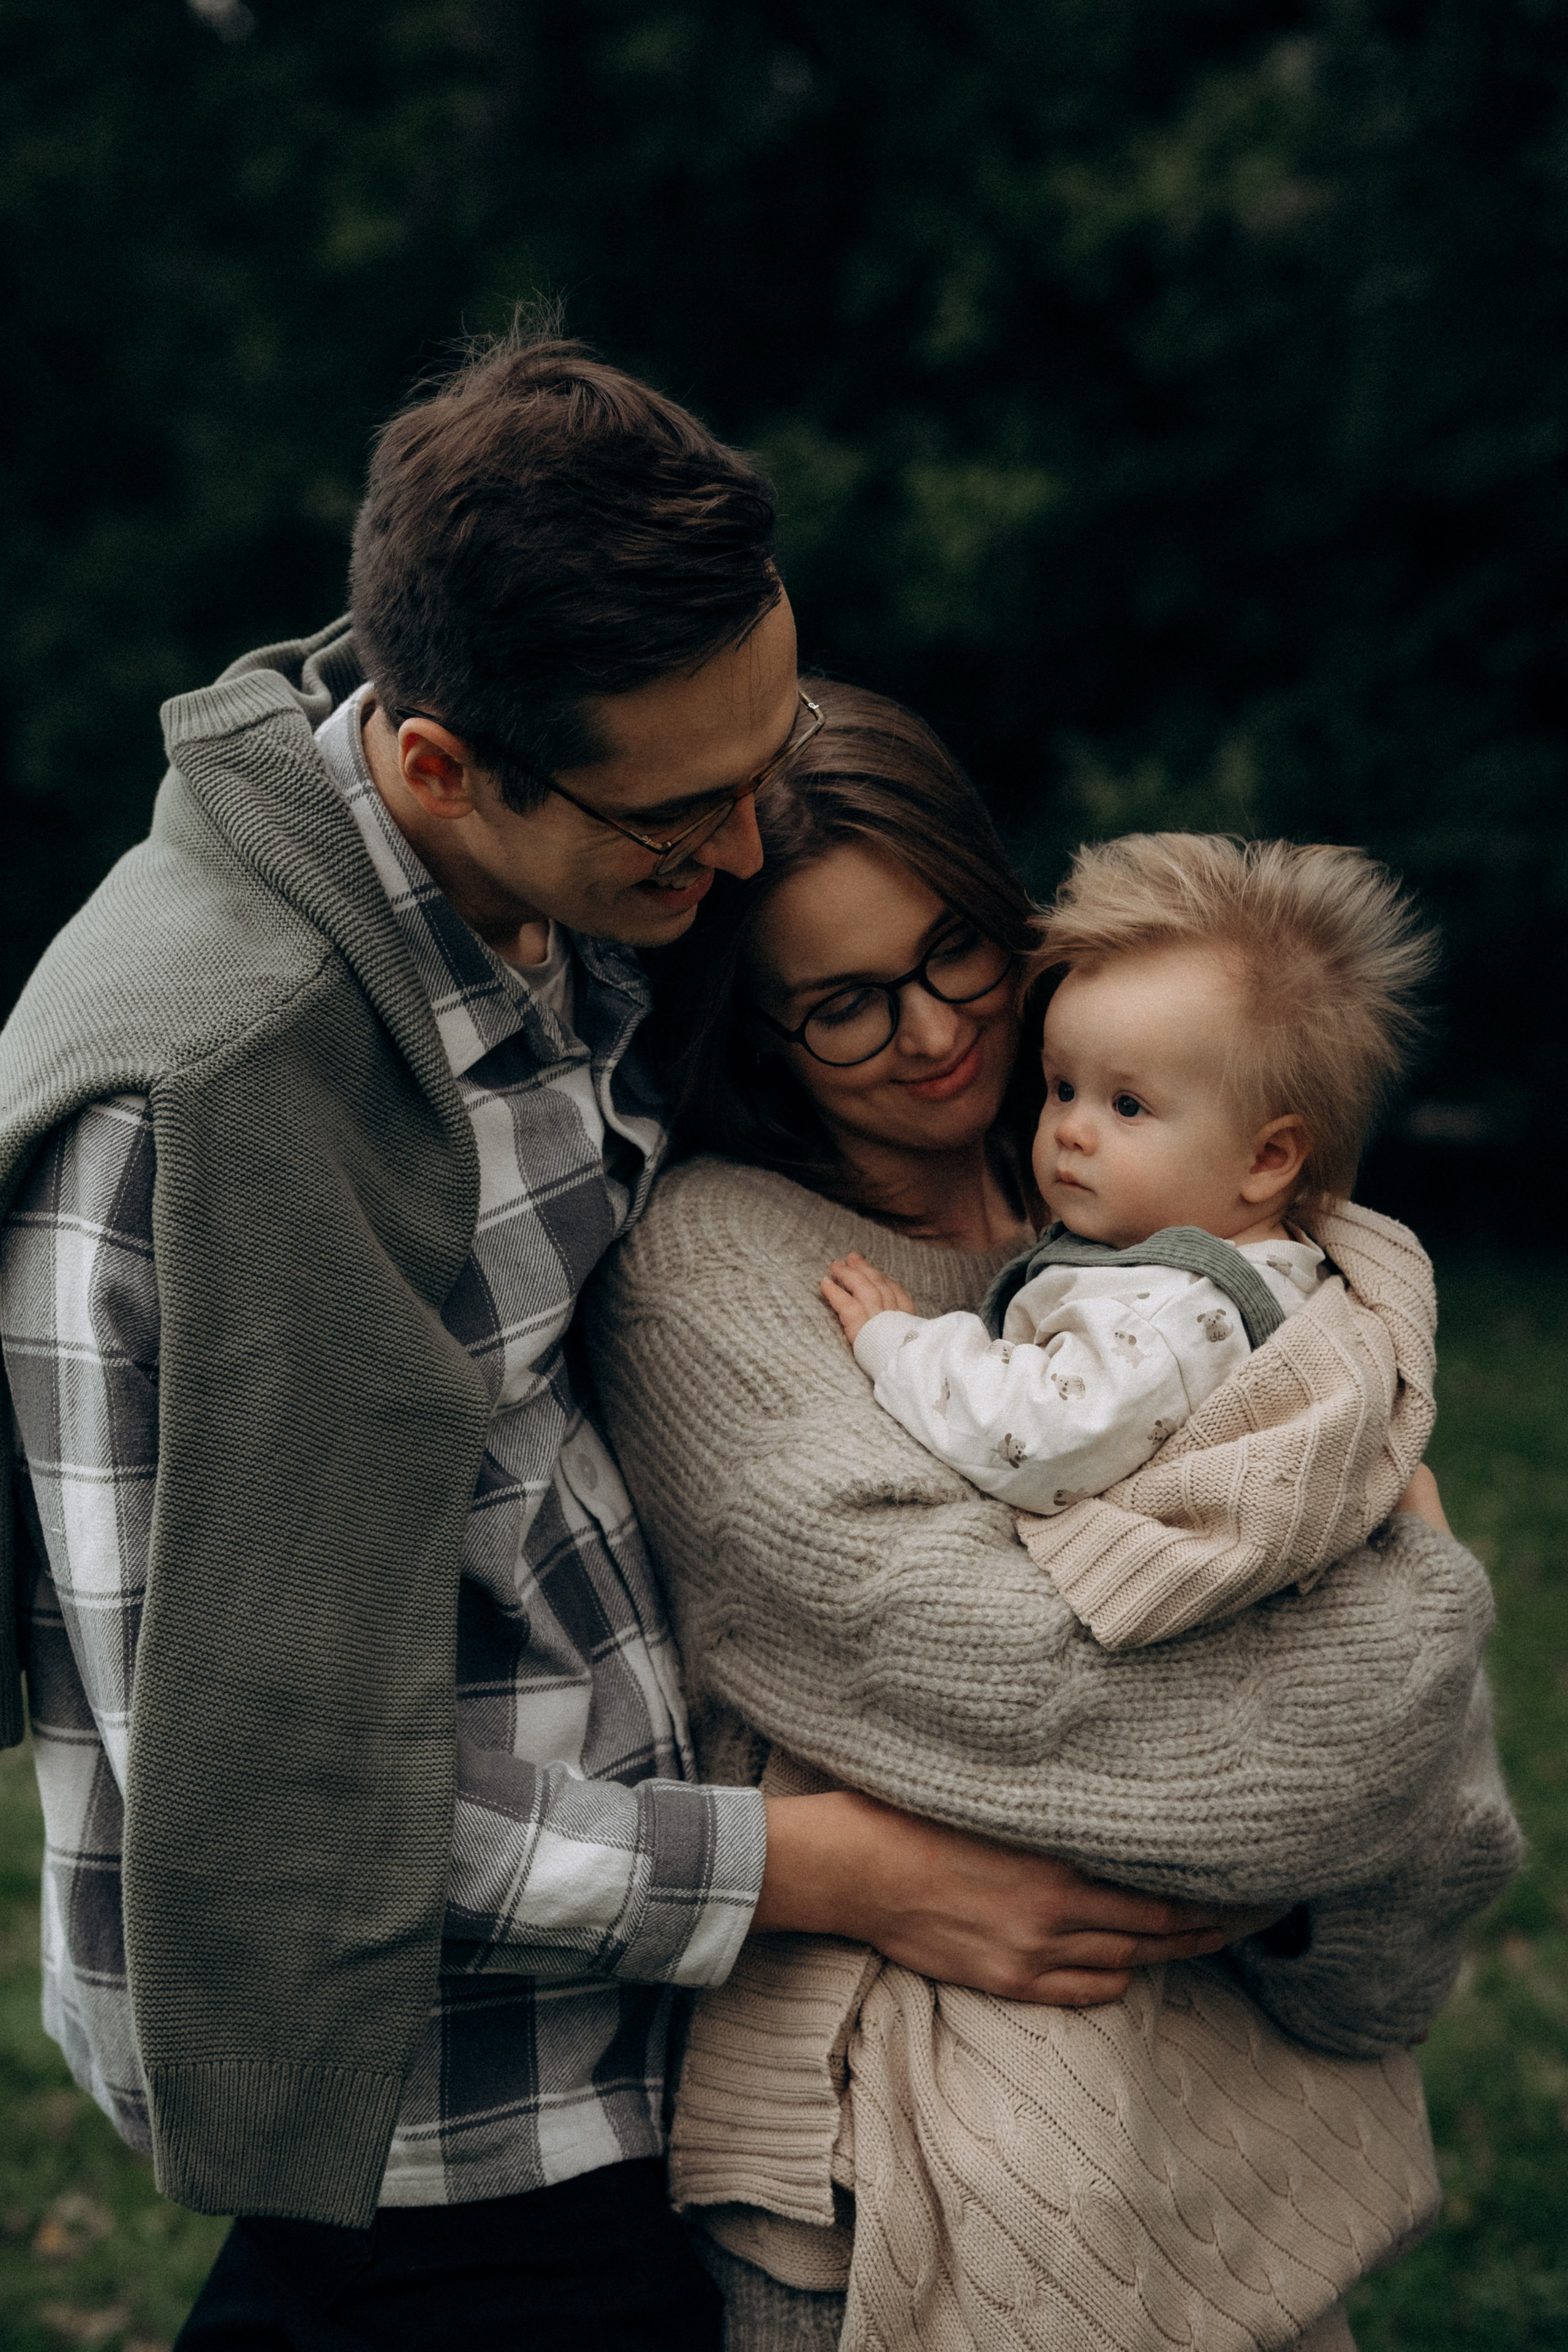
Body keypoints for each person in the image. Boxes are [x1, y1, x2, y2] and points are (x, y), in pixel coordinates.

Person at [0, 336, 1236, 2351]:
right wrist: (835, 1871)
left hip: (678, 2020)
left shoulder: (540, 898)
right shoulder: (193, 1113)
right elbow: (280, 1827)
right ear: (431, 765)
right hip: (456, 2121)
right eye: (681, 823)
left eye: (757, 771)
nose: (741, 858)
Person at [586, 682, 1520, 2351]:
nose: (941, 1032)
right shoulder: (725, 1277)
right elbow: (1035, 1682)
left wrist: (1309, 1893)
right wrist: (1422, 1599)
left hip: (1237, 2176)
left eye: (960, 952)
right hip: (906, 2203)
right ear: (752, 1028)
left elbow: (1431, 1864)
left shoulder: (1200, 1237)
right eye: (847, 1006)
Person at [820, 832, 1438, 1648]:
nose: (1071, 1130)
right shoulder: (1205, 1262)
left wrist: (898, 1344)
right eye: (1063, 1087)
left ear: (1267, 1158)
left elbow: (1037, 1440)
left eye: (1128, 1107)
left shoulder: (1174, 1315)